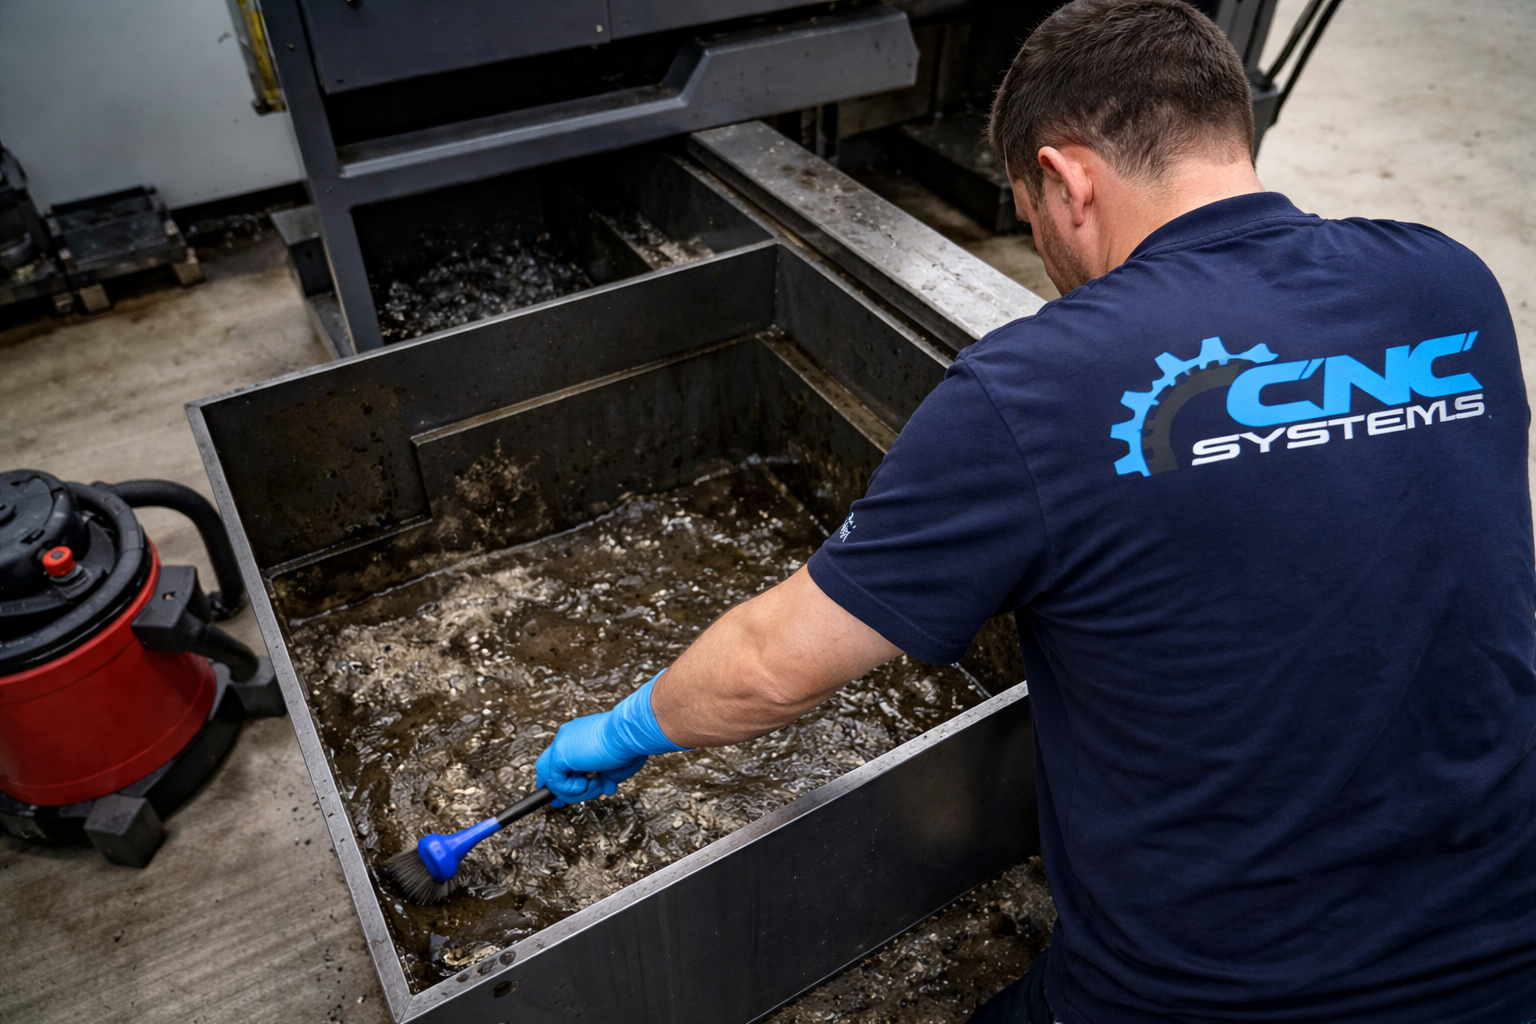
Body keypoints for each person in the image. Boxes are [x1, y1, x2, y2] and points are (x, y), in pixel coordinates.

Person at [535, 0, 1536, 1019]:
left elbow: (768, 668)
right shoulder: (1451, 286)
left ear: (1065, 180)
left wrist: (625, 730)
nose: (1046, 253)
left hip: (1214, 1000)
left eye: (1026, 213)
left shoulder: (1038, 386)